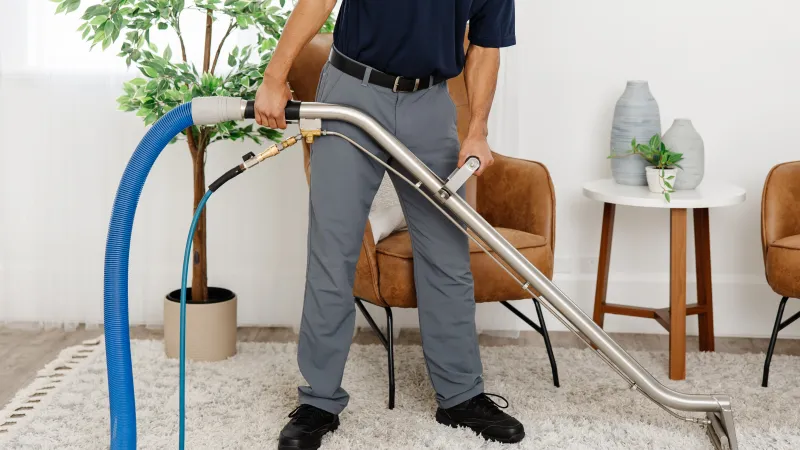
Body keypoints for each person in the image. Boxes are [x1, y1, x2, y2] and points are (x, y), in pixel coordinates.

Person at [254, 0, 519, 448]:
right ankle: (319, 400)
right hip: (352, 92)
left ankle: (461, 396)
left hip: (431, 104)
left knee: (447, 257)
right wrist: (274, 77)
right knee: (332, 252)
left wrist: (477, 129)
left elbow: (486, 46)